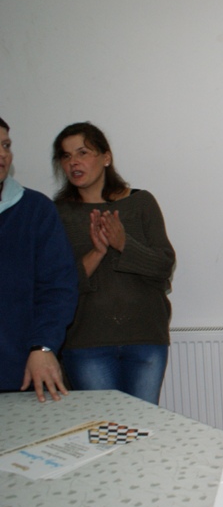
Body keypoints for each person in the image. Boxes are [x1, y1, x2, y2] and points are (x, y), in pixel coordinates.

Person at [52, 122, 176, 405]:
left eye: (82, 152)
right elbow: (57, 285)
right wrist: (97, 253)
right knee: (104, 427)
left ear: (106, 157)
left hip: (145, 337)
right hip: (86, 343)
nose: (74, 162)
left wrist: (123, 244)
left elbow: (164, 266)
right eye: (66, 156)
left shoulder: (141, 203)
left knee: (142, 425)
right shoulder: (57, 213)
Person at [0, 116, 78, 402]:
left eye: (6, 145)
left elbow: (58, 287)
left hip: (22, 373)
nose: (3, 154)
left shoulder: (35, 209)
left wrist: (43, 346)